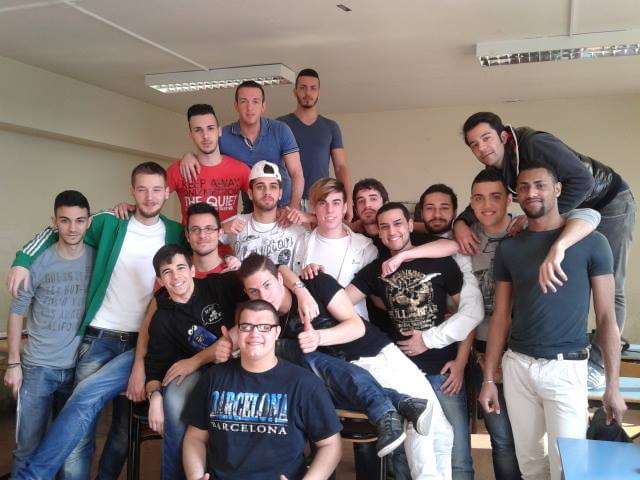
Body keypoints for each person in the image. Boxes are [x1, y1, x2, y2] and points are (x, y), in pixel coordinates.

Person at [9, 162, 186, 480]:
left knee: (122, 431)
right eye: (142, 189)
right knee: (81, 423)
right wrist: (23, 260)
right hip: (99, 338)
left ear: (167, 193)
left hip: (142, 343)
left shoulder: (176, 232)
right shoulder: (110, 221)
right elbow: (62, 229)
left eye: (156, 190)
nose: (149, 197)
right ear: (131, 192)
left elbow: (200, 256)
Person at [456, 111, 636, 387]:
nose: (481, 148)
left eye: (486, 138)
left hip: (608, 202)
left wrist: (538, 218)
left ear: (503, 136)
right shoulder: (499, 166)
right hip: (574, 207)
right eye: (474, 144)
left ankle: (600, 364)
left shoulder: (534, 144)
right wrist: (461, 222)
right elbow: (485, 194)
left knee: (612, 283)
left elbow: (583, 182)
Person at [239, 254, 454, 479]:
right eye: (254, 291)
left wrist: (318, 335)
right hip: (341, 381)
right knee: (420, 421)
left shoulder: (315, 283)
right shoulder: (268, 323)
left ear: (280, 279)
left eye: (267, 285)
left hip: (374, 356)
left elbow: (356, 327)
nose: (263, 295)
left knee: (438, 430)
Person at [478, 162, 626, 480]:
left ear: (557, 189)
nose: (531, 192)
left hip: (566, 368)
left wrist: (612, 385)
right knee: (531, 465)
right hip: (518, 367)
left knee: (569, 467)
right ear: (517, 196)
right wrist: (489, 379)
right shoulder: (510, 248)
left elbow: (606, 317)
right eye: (524, 187)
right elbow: (501, 317)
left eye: (540, 185)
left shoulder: (592, 243)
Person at [347, 202, 478, 480]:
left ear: (409, 224)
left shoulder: (440, 261)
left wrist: (460, 362)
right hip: (404, 375)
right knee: (404, 458)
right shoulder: (376, 271)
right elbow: (342, 302)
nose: (391, 231)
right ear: (378, 232)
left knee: (456, 451)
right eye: (384, 226)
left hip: (444, 372)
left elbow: (467, 316)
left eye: (397, 223)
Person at [182, 299, 343, 480]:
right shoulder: (214, 377)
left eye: (265, 327)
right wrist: (196, 477)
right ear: (237, 332)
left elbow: (331, 445)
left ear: (277, 332)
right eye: (246, 327)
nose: (254, 334)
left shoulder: (305, 384)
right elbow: (195, 437)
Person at [4, 190, 94, 476]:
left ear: (88, 222)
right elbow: (16, 311)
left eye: (79, 220)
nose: (72, 228)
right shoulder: (38, 261)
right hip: (38, 368)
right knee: (28, 448)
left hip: (78, 369)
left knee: (69, 448)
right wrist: (14, 363)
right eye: (65, 220)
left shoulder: (96, 259)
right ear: (54, 222)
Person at [144, 244, 244, 479]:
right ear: (160, 280)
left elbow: (261, 280)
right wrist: (155, 396)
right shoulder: (162, 319)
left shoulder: (217, 285)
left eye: (181, 268)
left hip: (237, 364)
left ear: (192, 270)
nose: (176, 276)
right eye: (167, 272)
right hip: (196, 372)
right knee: (173, 403)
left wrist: (299, 289)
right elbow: (155, 369)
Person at [180, 80, 304, 213]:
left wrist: (292, 209)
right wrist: (189, 155)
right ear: (236, 105)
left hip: (284, 207)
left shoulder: (280, 130)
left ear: (263, 106)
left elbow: (296, 173)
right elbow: (207, 156)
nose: (250, 108)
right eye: (244, 101)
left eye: (255, 101)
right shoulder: (223, 136)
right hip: (250, 210)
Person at [278, 68, 351, 217]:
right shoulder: (280, 125)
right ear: (295, 91)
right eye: (303, 88)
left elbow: (340, 167)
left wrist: (348, 201)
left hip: (321, 201)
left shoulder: (331, 127)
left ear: (319, 92)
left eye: (313, 88)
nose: (308, 93)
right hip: (287, 201)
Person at [224, 160, 306, 267]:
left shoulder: (295, 227)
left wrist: (309, 218)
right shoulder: (235, 223)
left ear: (280, 193)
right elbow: (203, 237)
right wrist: (222, 228)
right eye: (260, 187)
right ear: (250, 193)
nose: (267, 192)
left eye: (273, 186)